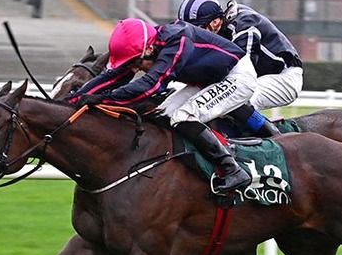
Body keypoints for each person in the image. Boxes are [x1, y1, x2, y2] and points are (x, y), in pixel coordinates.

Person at [66, 18, 257, 192]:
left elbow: (151, 86)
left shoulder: (177, 41)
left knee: (183, 116)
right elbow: (112, 77)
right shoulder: (145, 47)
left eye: (136, 63)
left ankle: (232, 169)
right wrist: (71, 101)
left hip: (236, 76)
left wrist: (103, 98)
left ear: (148, 50)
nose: (135, 69)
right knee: (162, 114)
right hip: (209, 80)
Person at [177, 0, 303, 137]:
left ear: (215, 22)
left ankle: (275, 138)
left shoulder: (244, 27)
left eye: (196, 29)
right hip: (261, 77)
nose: (193, 36)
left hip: (284, 78)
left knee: (233, 97)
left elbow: (242, 76)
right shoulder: (220, 27)